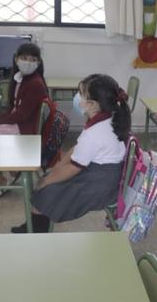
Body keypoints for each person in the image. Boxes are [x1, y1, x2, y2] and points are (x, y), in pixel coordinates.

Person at [11, 74, 131, 233]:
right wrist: (57, 168)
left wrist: (46, 181)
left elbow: (74, 168)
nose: (77, 98)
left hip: (101, 185)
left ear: (92, 105)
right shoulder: (107, 120)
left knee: (46, 191)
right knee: (51, 181)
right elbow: (76, 149)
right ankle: (35, 226)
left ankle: (35, 231)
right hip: (105, 175)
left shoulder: (95, 133)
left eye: (81, 94)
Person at [0, 42, 50, 199]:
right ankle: (11, 171)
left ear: (38, 62)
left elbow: (21, 115)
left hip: (25, 128)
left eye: (33, 59)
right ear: (16, 59)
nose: (28, 62)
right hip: (19, 124)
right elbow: (13, 107)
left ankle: (1, 180)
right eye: (24, 58)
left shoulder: (35, 83)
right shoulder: (21, 78)